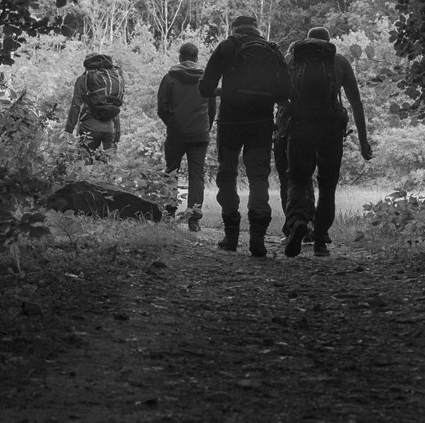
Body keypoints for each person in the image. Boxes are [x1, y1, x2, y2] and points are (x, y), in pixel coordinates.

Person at [198, 14, 291, 257]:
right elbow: (285, 91)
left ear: (234, 29)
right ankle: (257, 237)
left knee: (227, 175)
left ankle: (231, 236)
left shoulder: (227, 46)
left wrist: (224, 91)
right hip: (261, 123)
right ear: (256, 29)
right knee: (258, 177)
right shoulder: (271, 49)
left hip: (230, 122)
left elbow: (205, 87)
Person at [281, 27, 373, 258]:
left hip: (300, 127)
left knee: (297, 180)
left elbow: (279, 96)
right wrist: (363, 141)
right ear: (328, 42)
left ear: (307, 39)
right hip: (330, 130)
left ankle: (297, 222)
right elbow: (356, 104)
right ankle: (321, 241)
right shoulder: (339, 62)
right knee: (328, 185)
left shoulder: (292, 59)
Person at [157, 41, 216, 232]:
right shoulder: (207, 79)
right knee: (196, 176)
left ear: (180, 57)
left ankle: (169, 213)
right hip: (200, 134)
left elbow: (162, 108)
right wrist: (204, 127)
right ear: (197, 58)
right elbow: (212, 110)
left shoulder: (170, 78)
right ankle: (194, 219)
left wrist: (173, 124)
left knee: (171, 171)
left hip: (176, 133)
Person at [65, 52, 123, 155]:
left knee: (85, 164)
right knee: (106, 166)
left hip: (89, 128)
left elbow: (76, 105)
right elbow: (114, 108)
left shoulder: (83, 79)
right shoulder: (109, 81)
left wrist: (69, 129)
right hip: (109, 129)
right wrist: (116, 135)